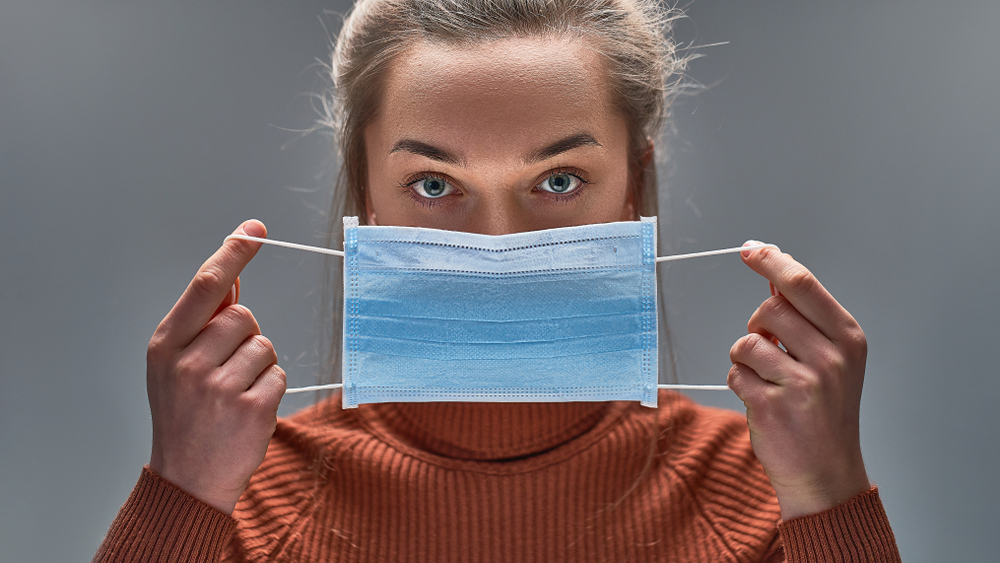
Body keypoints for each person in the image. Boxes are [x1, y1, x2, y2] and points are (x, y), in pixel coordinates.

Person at [94, 0, 901, 561]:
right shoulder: (234, 502)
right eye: (435, 185)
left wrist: (829, 492)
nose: (498, 245)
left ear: (633, 184)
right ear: (366, 193)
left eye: (558, 180)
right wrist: (179, 494)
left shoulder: (770, 495)